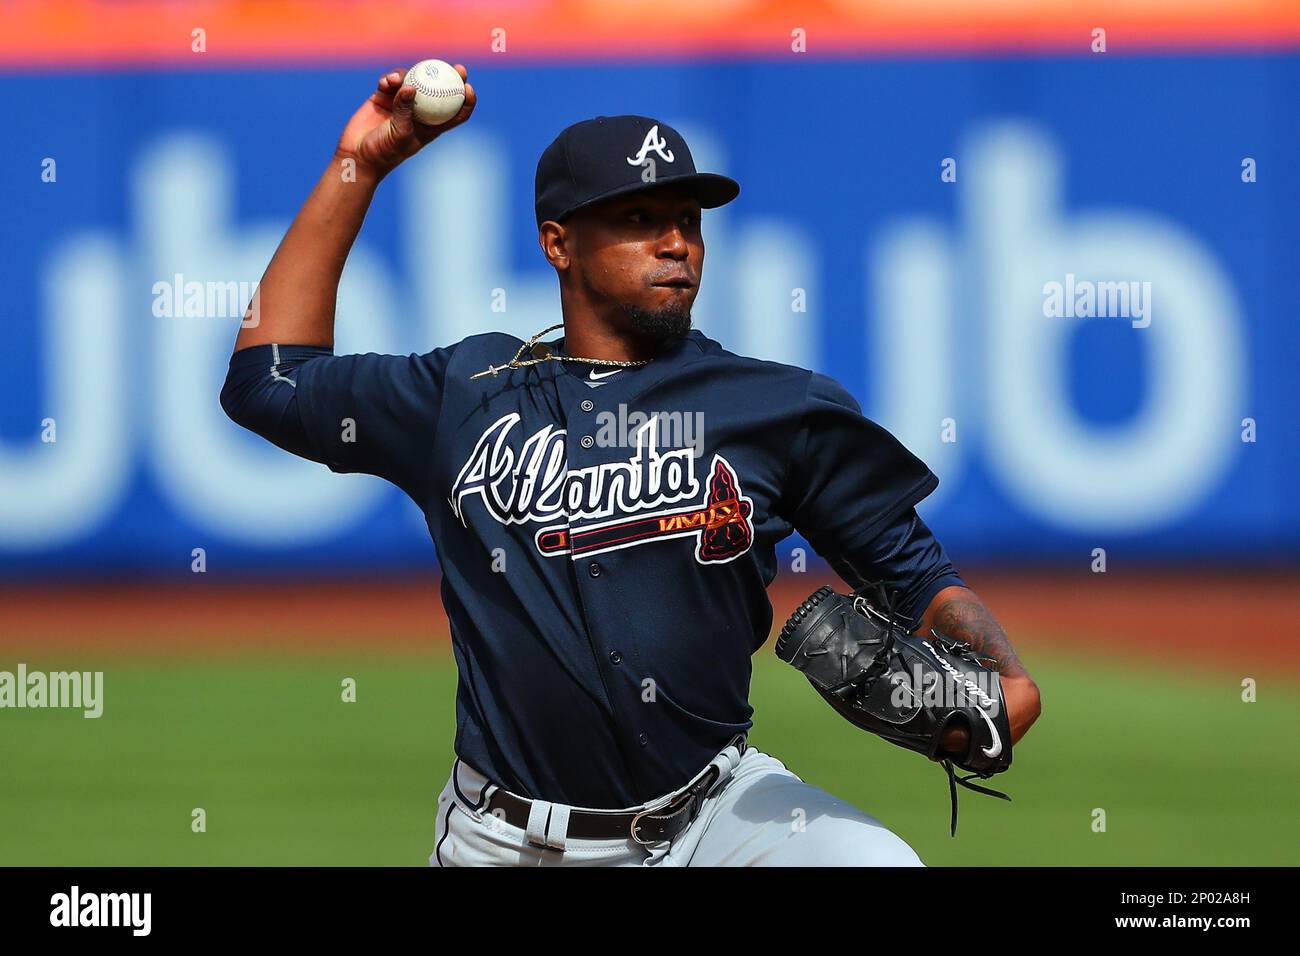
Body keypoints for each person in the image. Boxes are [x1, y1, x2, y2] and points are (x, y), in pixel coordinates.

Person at [220, 65, 1042, 866]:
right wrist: (358, 164)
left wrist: (1006, 676)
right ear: (557, 243)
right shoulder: (464, 392)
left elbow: (912, 569)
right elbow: (269, 381)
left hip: (718, 817)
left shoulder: (773, 407)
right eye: (640, 216)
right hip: (504, 840)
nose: (676, 242)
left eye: (689, 217)